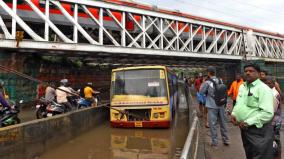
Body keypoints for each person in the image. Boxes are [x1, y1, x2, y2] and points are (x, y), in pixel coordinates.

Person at [231, 63, 274, 159]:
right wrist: (234, 114)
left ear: (258, 74)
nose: (248, 73)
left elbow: (267, 113)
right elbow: (239, 102)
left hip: (258, 131)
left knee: (260, 154)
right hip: (244, 129)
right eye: (246, 71)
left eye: (251, 71)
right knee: (249, 153)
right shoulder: (243, 87)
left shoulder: (263, 89)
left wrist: (248, 122)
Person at [200, 66, 229, 147]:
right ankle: (226, 140)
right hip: (221, 104)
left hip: (212, 106)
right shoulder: (220, 80)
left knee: (213, 124)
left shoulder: (207, 82)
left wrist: (203, 82)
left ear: (208, 73)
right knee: (223, 123)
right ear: (215, 73)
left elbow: (201, 92)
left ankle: (215, 142)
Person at [264, 76, 282, 158]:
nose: (267, 84)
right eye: (266, 83)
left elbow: (272, 111)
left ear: (274, 84)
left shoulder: (274, 94)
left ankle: (276, 155)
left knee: (274, 138)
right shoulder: (269, 92)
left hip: (274, 120)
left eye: (269, 83)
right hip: (274, 119)